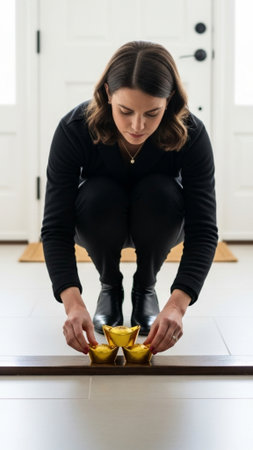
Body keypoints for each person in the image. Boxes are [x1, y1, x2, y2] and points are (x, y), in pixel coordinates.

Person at [41, 40, 218, 356]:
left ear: (170, 100)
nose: (138, 126)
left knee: (159, 191)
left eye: (152, 112)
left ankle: (144, 287)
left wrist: (178, 304)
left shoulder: (192, 133)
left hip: (161, 214)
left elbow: (204, 230)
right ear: (108, 94)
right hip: (96, 214)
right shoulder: (74, 128)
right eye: (125, 111)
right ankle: (110, 285)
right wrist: (72, 302)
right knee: (99, 193)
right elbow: (55, 226)